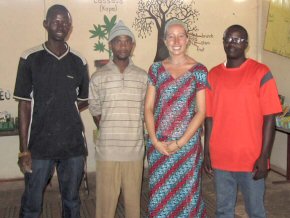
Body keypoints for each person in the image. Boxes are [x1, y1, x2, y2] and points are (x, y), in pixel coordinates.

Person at [13, 4, 89, 218]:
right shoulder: (30, 58)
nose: (60, 25)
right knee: (31, 204)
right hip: (39, 148)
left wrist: (64, 110)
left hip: (73, 147)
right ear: (45, 24)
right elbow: (24, 104)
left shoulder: (79, 61)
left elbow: (82, 101)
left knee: (72, 203)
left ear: (70, 27)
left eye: (65, 21)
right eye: (55, 20)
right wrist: (23, 150)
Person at [204, 24, 282, 218]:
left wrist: (264, 156)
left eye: (238, 39)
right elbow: (209, 117)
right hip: (221, 158)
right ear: (223, 41)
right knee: (223, 211)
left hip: (251, 159)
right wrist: (206, 151)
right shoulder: (213, 75)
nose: (233, 43)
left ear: (246, 44)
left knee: (255, 211)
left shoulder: (261, 72)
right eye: (228, 38)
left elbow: (270, 117)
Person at [144, 19, 208, 217]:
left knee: (187, 197)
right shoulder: (155, 70)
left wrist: (180, 142)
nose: (176, 40)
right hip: (159, 146)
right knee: (159, 198)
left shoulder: (199, 71)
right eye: (170, 36)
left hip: (187, 147)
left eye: (181, 35)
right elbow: (147, 107)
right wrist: (155, 141)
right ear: (164, 41)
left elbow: (201, 111)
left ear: (187, 39)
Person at [88, 20, 148, 218]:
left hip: (134, 151)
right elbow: (96, 111)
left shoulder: (143, 77)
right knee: (105, 208)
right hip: (108, 152)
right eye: (117, 41)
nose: (122, 45)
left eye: (126, 41)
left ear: (132, 45)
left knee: (133, 208)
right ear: (110, 45)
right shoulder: (98, 77)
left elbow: (145, 111)